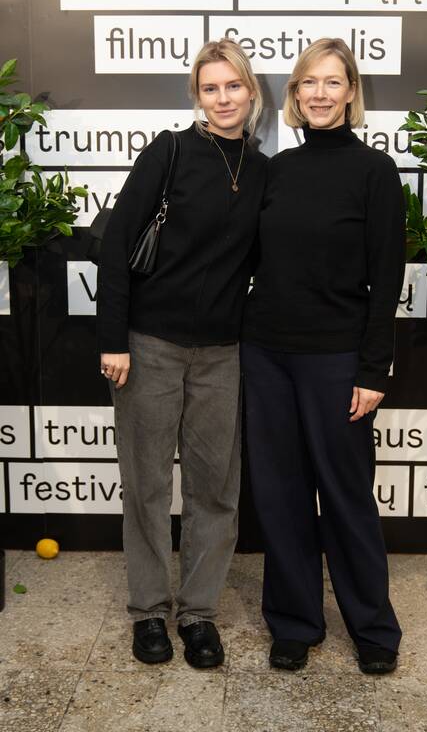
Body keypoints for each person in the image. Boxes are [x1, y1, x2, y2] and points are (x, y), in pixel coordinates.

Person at [97, 38, 267, 667]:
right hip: (150, 346)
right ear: (196, 95)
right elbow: (116, 247)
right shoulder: (168, 151)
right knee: (146, 485)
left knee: (215, 490)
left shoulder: (262, 170)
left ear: (251, 92)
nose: (223, 98)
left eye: (233, 86)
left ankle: (198, 614)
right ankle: (148, 611)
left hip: (222, 353)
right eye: (210, 88)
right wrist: (113, 340)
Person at [241, 38, 405, 675]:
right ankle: (294, 622)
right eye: (308, 82)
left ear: (351, 93)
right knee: (280, 495)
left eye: (333, 82)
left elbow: (386, 278)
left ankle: (373, 628)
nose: (319, 93)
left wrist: (373, 369)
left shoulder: (375, 172)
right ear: (295, 94)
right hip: (266, 354)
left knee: (346, 496)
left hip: (337, 358)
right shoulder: (276, 170)